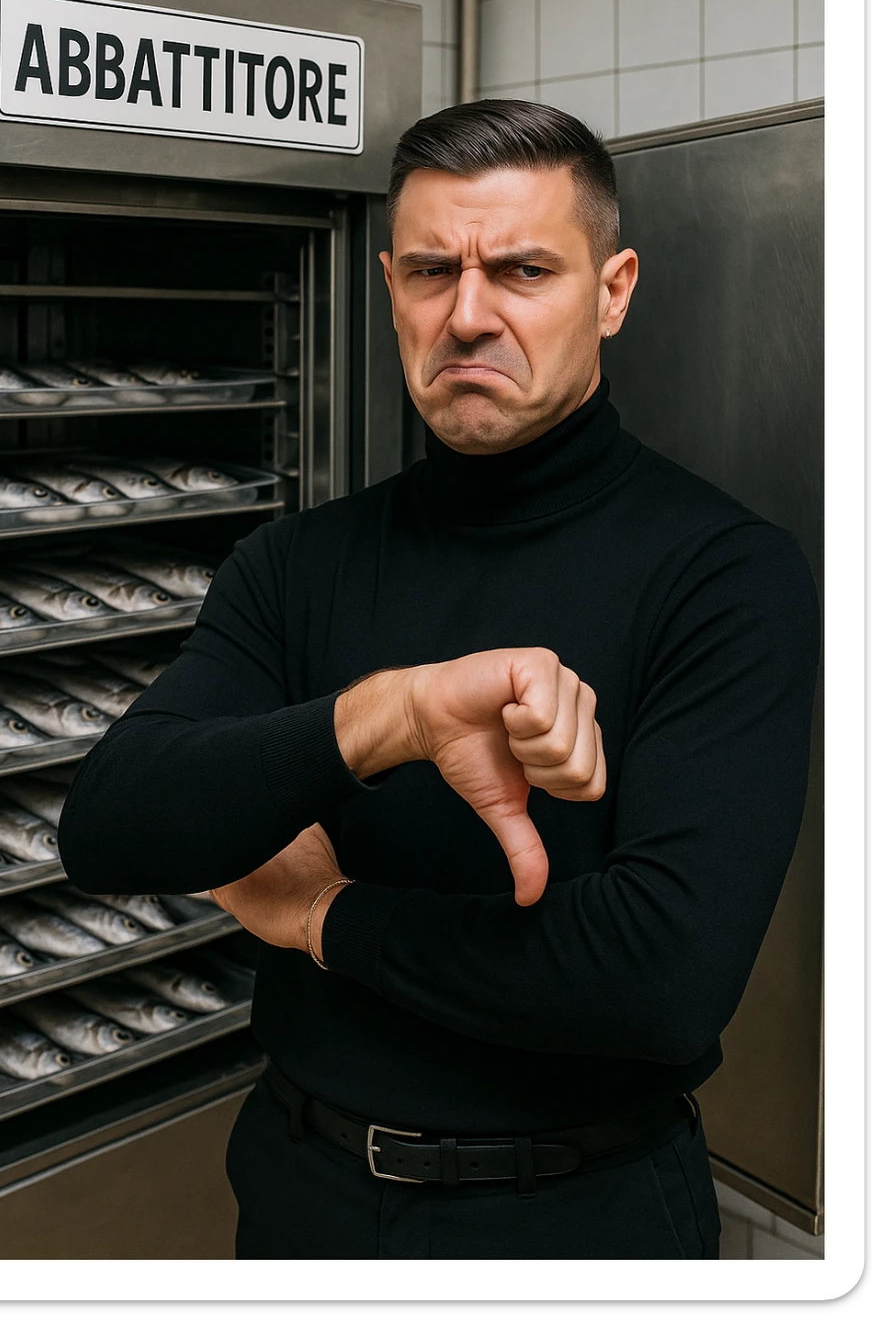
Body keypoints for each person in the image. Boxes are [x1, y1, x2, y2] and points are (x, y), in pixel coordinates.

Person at [57, 99, 821, 1261]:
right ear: (390, 285)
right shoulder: (297, 563)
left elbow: (657, 980)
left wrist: (325, 917)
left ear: (611, 290)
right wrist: (388, 716)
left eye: (521, 270)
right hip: (300, 1195)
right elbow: (110, 824)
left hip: (578, 1215)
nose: (468, 315)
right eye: (429, 272)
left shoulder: (722, 576)